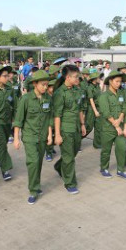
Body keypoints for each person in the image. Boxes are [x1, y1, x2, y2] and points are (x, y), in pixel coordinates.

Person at [13, 70, 53, 204]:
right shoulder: (26, 99)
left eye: (47, 85)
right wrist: (16, 138)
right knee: (33, 162)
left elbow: (48, 118)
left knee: (39, 162)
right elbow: (18, 120)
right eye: (43, 85)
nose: (45, 87)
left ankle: (36, 183)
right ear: (35, 84)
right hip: (30, 137)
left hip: (42, 137)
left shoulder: (47, 98)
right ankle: (33, 190)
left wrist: (49, 135)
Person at [53, 65, 86, 194]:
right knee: (69, 158)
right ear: (68, 77)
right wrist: (58, 134)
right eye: (75, 76)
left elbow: (79, 109)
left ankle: (58, 166)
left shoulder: (76, 91)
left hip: (76, 127)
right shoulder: (59, 93)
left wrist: (82, 124)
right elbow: (57, 115)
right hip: (65, 129)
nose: (78, 78)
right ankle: (70, 182)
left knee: (73, 152)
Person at [98, 71, 126, 179]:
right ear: (110, 81)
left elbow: (124, 107)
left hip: (118, 127)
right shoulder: (104, 96)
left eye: (120, 82)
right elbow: (105, 112)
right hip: (108, 128)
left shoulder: (121, 94)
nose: (118, 84)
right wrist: (115, 125)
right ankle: (104, 168)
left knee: (121, 147)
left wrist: (120, 119)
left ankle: (121, 170)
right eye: (116, 81)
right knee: (106, 150)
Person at [85, 72, 102, 149]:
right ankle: (77, 140)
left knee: (98, 126)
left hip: (98, 108)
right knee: (89, 127)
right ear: (94, 79)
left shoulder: (98, 86)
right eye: (98, 78)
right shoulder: (89, 88)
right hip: (91, 109)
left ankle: (97, 144)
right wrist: (95, 111)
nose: (99, 79)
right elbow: (91, 100)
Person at [45, 78, 57, 162]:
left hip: (55, 119)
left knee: (54, 135)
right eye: (52, 87)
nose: (53, 89)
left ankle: (51, 148)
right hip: (48, 120)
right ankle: (48, 153)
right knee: (48, 136)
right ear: (48, 88)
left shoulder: (56, 96)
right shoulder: (45, 98)